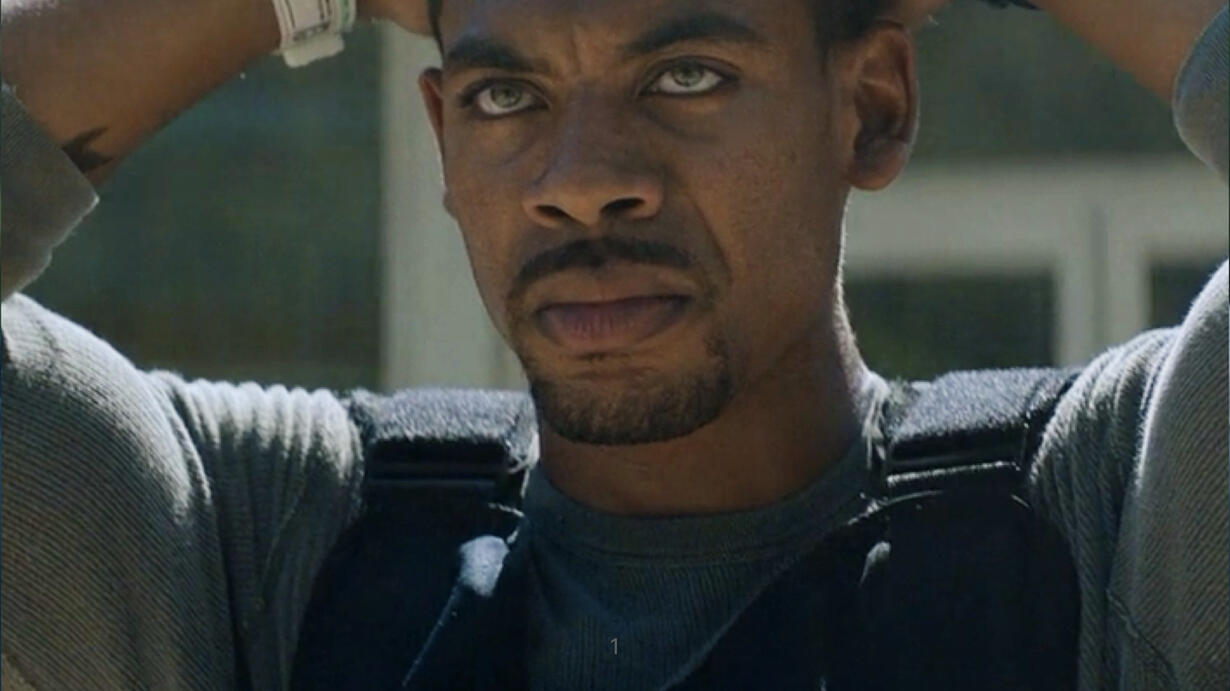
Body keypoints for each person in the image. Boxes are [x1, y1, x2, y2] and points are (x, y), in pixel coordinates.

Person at [1, 0, 1225, 688]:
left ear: (872, 107)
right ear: (441, 139)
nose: (582, 181)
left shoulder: (1113, 518)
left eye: (685, 77)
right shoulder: (266, 554)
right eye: (506, 96)